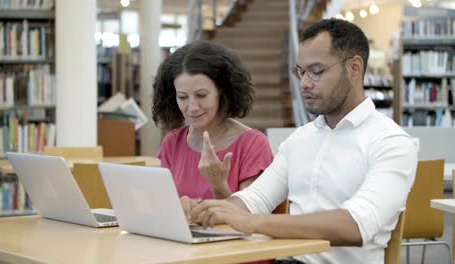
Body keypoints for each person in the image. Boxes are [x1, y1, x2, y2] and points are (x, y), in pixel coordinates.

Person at [189, 18, 418, 264]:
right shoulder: (299, 139)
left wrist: (253, 222)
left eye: (317, 71)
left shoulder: (392, 142)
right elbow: (254, 199)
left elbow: (357, 225)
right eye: (300, 72)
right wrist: (206, 211)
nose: (305, 83)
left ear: (354, 68)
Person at [152, 41, 274, 200]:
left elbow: (251, 217)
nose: (192, 107)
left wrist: (218, 185)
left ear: (221, 91)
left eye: (201, 95)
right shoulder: (172, 142)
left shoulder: (253, 144)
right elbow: (165, 204)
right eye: (182, 97)